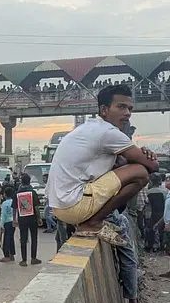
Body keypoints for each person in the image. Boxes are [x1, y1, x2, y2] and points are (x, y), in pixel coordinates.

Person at [46, 85, 159, 245]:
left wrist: (140, 154)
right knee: (140, 172)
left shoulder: (90, 127)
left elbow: (122, 164)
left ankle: (92, 221)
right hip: (73, 206)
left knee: (131, 166)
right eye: (121, 107)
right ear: (104, 110)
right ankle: (93, 223)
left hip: (61, 207)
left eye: (129, 108)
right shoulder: (108, 132)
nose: (127, 113)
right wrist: (146, 156)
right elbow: (153, 166)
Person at [14, 173, 42, 267]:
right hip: (33, 218)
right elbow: (37, 207)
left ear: (21, 182)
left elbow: (15, 208)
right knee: (34, 238)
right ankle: (33, 258)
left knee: (23, 239)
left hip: (22, 219)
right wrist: (39, 218)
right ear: (29, 182)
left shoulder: (17, 193)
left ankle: (24, 260)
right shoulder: (33, 192)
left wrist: (15, 219)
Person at [145, 173, 167, 252]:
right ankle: (161, 246)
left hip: (151, 213)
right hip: (162, 213)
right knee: (161, 230)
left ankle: (151, 246)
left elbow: (147, 202)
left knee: (151, 230)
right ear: (159, 182)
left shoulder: (148, 192)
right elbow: (166, 203)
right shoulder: (164, 192)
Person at [0, 186, 16, 262]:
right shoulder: (14, 202)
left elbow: (3, 215)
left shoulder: (4, 203)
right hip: (13, 222)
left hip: (7, 222)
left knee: (6, 239)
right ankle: (12, 255)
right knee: (11, 239)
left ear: (5, 194)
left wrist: (1, 225)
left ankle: (6, 256)